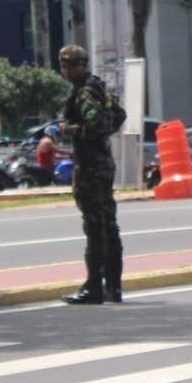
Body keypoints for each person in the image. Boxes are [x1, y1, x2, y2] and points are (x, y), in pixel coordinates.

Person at [56, 45, 124, 305]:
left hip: (91, 164)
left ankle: (94, 287)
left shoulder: (85, 90)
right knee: (108, 223)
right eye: (63, 66)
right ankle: (113, 287)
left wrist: (69, 129)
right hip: (103, 160)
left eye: (71, 66)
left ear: (82, 65)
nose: (66, 71)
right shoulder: (97, 87)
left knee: (95, 224)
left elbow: (97, 123)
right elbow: (118, 115)